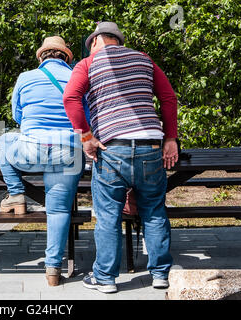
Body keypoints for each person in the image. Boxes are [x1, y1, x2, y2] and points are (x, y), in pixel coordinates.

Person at [63, 21, 179, 293]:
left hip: (112, 149)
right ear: (118, 40)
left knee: (108, 216)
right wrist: (170, 138)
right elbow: (168, 98)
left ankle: (105, 278)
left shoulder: (88, 63)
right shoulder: (144, 59)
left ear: (94, 42)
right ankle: (161, 274)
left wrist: (86, 137)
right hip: (151, 147)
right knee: (154, 210)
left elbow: (70, 97)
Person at [0, 36, 89, 286]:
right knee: (58, 211)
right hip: (68, 152)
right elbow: (86, 116)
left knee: (2, 141)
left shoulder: (25, 78)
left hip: (31, 151)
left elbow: (17, 115)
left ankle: (16, 194)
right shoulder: (77, 78)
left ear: (41, 57)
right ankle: (53, 271)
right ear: (67, 57)